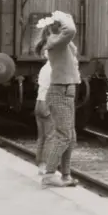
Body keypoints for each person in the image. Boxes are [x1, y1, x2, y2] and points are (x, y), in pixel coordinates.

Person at [37, 10, 80, 188]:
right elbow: (70, 30)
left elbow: (70, 36)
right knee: (63, 136)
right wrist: (63, 17)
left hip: (66, 92)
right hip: (59, 92)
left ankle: (66, 174)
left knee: (70, 137)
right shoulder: (54, 42)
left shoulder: (63, 45)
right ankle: (49, 174)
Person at [33, 43, 54, 177]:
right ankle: (46, 166)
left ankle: (40, 164)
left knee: (42, 136)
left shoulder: (44, 68)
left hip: (39, 102)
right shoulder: (54, 69)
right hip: (48, 102)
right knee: (51, 136)